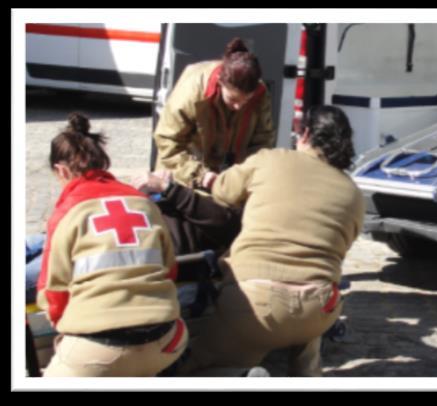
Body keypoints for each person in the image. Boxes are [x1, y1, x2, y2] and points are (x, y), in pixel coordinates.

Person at [158, 105, 364, 377]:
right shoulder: (354, 194)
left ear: (304, 136)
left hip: (257, 307)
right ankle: (306, 373)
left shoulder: (271, 159)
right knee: (315, 290)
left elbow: (223, 191)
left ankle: (241, 375)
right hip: (319, 310)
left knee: (191, 366)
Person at [36, 112, 188, 377]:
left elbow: (52, 289)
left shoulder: (67, 211)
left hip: (98, 350)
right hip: (165, 341)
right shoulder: (144, 204)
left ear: (61, 170)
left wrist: (66, 325)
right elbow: (170, 270)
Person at [153, 37, 275, 192]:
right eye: (233, 99)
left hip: (225, 174)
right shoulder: (193, 90)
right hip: (181, 171)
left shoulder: (260, 94)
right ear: (220, 82)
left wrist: (246, 174)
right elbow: (167, 140)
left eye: (246, 100)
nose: (238, 106)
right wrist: (200, 175)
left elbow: (263, 142)